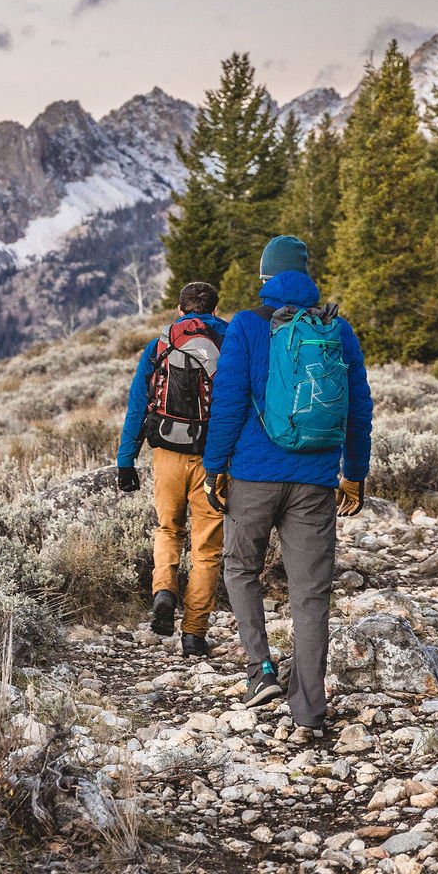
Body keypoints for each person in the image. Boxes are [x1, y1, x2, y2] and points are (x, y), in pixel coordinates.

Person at [200, 235, 373, 736]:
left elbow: (228, 402)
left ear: (265, 278)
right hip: (316, 481)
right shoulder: (336, 328)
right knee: (311, 596)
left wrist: (215, 468)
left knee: (240, 570)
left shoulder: (248, 326)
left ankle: (261, 672)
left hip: (252, 475)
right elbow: (358, 407)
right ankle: (310, 713)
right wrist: (354, 474)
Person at [115, 280, 228, 657]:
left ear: (180, 310)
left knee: (168, 528)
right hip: (213, 457)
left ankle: (164, 591)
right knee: (207, 547)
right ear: (213, 309)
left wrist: (125, 460)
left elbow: (136, 405)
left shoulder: (159, 344)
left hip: (166, 452)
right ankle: (194, 633)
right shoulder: (228, 340)